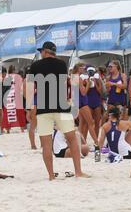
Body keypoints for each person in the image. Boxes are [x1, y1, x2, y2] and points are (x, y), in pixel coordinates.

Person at [27, 41, 89, 180]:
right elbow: (63, 83)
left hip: (43, 108)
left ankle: (51, 175)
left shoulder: (36, 65)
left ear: (44, 51)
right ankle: (78, 171)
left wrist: (31, 104)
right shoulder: (61, 64)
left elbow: (29, 88)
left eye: (41, 51)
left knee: (46, 144)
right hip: (61, 106)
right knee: (72, 139)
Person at [72, 63, 100, 156]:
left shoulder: (72, 77)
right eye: (82, 68)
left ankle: (80, 145)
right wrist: (87, 84)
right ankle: (97, 144)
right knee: (90, 123)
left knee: (82, 124)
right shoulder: (78, 78)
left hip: (77, 102)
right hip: (83, 102)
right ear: (78, 68)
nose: (84, 70)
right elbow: (83, 92)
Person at [24, 65, 38, 149]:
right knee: (35, 125)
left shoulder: (26, 80)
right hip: (34, 103)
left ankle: (33, 144)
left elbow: (25, 95)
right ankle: (34, 144)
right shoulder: (31, 80)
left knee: (33, 125)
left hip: (32, 103)